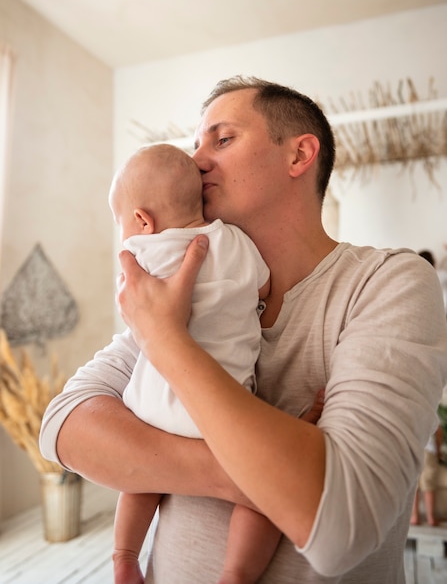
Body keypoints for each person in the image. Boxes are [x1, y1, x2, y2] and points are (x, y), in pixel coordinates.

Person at [40, 76, 447, 583]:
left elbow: (340, 523)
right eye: (195, 145)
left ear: (299, 155)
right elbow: (63, 427)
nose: (198, 160)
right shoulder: (179, 285)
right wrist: (253, 474)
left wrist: (166, 340)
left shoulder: (388, 282)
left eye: (223, 139)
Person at [108, 143, 284, 584]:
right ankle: (238, 573)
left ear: (143, 221)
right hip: (223, 409)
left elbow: (130, 305)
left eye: (123, 223)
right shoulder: (238, 242)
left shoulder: (141, 255)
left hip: (154, 406)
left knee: (141, 477)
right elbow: (263, 288)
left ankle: (125, 557)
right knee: (259, 495)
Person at [411, 421, 444, 526]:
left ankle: (414, 517)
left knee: (414, 485)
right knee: (428, 484)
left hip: (413, 450)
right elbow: (438, 431)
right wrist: (438, 451)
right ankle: (431, 518)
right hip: (428, 450)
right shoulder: (431, 408)